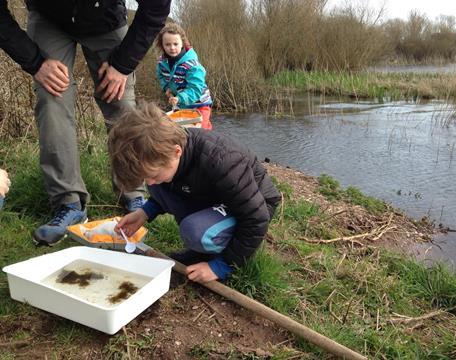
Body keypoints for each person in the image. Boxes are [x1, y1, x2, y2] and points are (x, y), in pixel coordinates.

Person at [0, 0, 171, 245]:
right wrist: (35, 62)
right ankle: (69, 203)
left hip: (106, 18)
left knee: (121, 103)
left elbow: (155, 8)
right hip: (49, 17)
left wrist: (122, 65)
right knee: (52, 101)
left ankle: (134, 192)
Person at [109, 102, 280, 283]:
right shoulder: (168, 158)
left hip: (256, 204)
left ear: (177, 152)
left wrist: (222, 266)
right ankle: (205, 250)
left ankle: (221, 253)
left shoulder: (221, 160)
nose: (149, 183)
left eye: (154, 175)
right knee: (159, 182)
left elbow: (256, 218)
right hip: (214, 196)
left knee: (195, 231)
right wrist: (144, 212)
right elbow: (168, 188)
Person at [156, 23, 213, 130]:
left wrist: (179, 98)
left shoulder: (192, 65)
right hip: (181, 105)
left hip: (200, 104)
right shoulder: (161, 63)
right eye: (167, 44)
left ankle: (208, 130)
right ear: (162, 45)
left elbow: (195, 89)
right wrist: (166, 88)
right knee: (181, 132)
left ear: (182, 43)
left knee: (201, 132)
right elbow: (161, 76)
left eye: (175, 44)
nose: (172, 48)